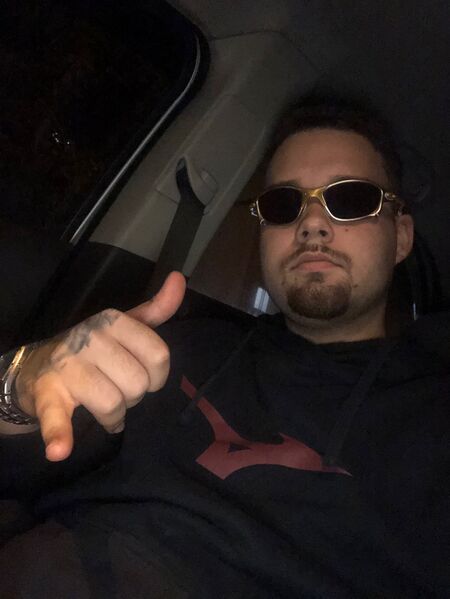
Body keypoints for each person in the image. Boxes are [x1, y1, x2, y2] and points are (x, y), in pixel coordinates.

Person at [0, 96, 448, 598]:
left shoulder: (433, 416)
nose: (312, 224)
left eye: (350, 199)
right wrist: (20, 383)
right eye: (284, 205)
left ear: (401, 236)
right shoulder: (178, 346)